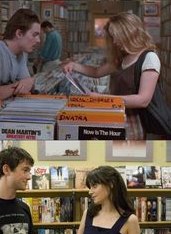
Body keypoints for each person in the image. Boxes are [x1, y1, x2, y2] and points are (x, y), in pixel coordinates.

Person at [63, 12, 161, 140]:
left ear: (128, 33)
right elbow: (96, 72)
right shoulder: (123, 57)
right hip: (115, 117)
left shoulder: (149, 58)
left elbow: (143, 100)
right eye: (112, 37)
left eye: (116, 37)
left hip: (132, 123)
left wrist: (101, 98)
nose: (114, 42)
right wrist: (74, 66)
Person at [70, 166, 141, 234]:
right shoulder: (88, 213)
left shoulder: (130, 220)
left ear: (110, 184)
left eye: (94, 186)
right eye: (90, 187)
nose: (90, 192)